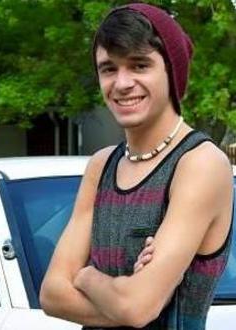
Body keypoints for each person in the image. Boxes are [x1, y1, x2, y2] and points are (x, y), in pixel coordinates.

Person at [40, 3, 233, 329]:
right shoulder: (101, 166)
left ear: (172, 72)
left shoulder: (199, 163)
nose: (122, 83)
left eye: (139, 65)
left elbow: (137, 308)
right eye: (108, 68)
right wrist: (124, 295)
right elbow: (51, 294)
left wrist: (86, 276)